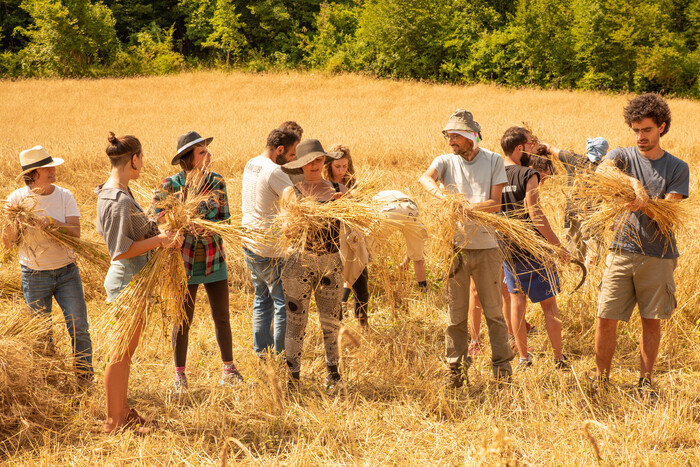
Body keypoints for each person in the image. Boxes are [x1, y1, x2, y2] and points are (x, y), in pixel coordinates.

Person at [594, 93, 688, 398]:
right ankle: (601, 381)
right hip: (621, 250)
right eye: (635, 130)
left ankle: (645, 382)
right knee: (606, 317)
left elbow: (669, 214)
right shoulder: (622, 156)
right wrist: (633, 185)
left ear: (661, 127)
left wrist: (643, 204)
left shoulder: (677, 168)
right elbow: (601, 171)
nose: (640, 137)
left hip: (658, 255)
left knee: (651, 321)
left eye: (646, 130)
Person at [419, 109, 513, 388]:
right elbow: (425, 179)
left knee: (494, 312)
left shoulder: (494, 160)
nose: (451, 142)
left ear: (471, 137)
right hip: (456, 247)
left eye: (456, 137)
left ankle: (502, 369)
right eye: (448, 137)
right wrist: (445, 199)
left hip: (487, 247)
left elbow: (495, 203)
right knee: (455, 314)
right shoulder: (445, 161)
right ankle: (455, 370)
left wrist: (470, 207)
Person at [96, 132, 182, 434]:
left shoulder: (112, 191)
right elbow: (120, 251)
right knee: (120, 355)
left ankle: (121, 410)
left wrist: (157, 233)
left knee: (125, 354)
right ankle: (113, 421)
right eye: (141, 157)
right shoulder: (118, 200)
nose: (142, 162)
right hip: (127, 282)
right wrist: (160, 239)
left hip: (132, 281)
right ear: (133, 159)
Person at [154, 131, 242, 395]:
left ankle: (229, 369)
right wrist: (173, 227)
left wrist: (208, 228)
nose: (208, 155)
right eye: (202, 152)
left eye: (207, 150)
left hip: (214, 258)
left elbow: (225, 221)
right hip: (183, 262)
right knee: (182, 319)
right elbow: (155, 215)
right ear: (189, 159)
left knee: (222, 316)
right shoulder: (170, 185)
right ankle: (179, 376)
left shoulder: (217, 182)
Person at [2, 145, 94, 385]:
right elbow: (9, 244)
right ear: (33, 174)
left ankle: (85, 381)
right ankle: (49, 383)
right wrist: (14, 222)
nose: (53, 170)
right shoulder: (16, 200)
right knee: (42, 334)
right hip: (34, 276)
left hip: (67, 272)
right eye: (47, 168)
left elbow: (76, 233)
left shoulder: (64, 195)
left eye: (52, 166)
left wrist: (52, 222)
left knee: (79, 328)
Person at [500, 127, 570, 370]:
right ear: (520, 148)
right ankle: (558, 358)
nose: (532, 147)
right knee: (549, 304)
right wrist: (558, 246)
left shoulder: (493, 173)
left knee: (516, 301)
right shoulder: (528, 174)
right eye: (530, 144)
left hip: (507, 249)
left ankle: (523, 358)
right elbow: (535, 213)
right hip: (533, 249)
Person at [279, 139, 347, 388]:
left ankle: (334, 375)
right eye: (309, 161)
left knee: (332, 322)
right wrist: (304, 215)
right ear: (301, 165)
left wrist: (343, 206)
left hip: (331, 263)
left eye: (319, 160)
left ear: (324, 162)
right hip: (299, 264)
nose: (315, 165)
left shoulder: (339, 190)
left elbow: (356, 223)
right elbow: (287, 231)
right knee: (296, 323)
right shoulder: (292, 192)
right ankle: (293, 378)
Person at [242, 128, 300, 356]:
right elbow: (292, 200)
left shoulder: (251, 163)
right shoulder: (275, 171)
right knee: (283, 304)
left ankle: (262, 354)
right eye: (292, 153)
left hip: (249, 242)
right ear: (280, 150)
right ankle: (282, 354)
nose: (293, 159)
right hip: (270, 248)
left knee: (261, 298)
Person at [322, 144, 369, 326]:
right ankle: (338, 328)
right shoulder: (323, 186)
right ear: (329, 166)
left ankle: (364, 324)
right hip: (334, 242)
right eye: (338, 167)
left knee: (362, 284)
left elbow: (361, 208)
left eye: (345, 166)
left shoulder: (352, 184)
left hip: (354, 240)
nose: (342, 171)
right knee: (333, 286)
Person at [542, 137, 608, 265]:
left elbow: (550, 148)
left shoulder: (573, 159)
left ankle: (578, 279)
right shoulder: (604, 168)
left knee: (575, 255)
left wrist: (534, 142)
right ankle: (589, 282)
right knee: (594, 256)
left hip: (571, 214)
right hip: (593, 217)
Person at [371, 190, 429, 288]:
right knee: (418, 256)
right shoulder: (397, 194)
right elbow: (413, 245)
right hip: (411, 209)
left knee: (366, 251)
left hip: (390, 210)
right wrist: (405, 263)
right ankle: (423, 289)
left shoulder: (372, 199)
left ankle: (347, 293)